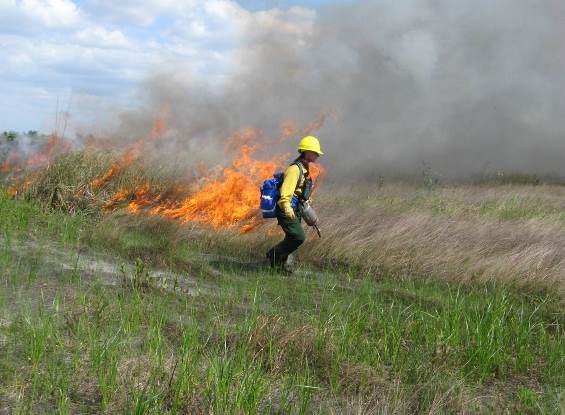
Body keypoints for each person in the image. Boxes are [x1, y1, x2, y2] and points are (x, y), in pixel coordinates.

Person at [266, 135, 323, 272]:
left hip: (296, 208)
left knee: (292, 238)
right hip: (287, 209)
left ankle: (281, 267)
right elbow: (285, 194)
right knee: (298, 237)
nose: (317, 155)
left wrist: (306, 200)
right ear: (307, 152)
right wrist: (287, 209)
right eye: (315, 152)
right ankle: (274, 254)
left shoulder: (304, 168)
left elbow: (299, 190)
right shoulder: (294, 170)